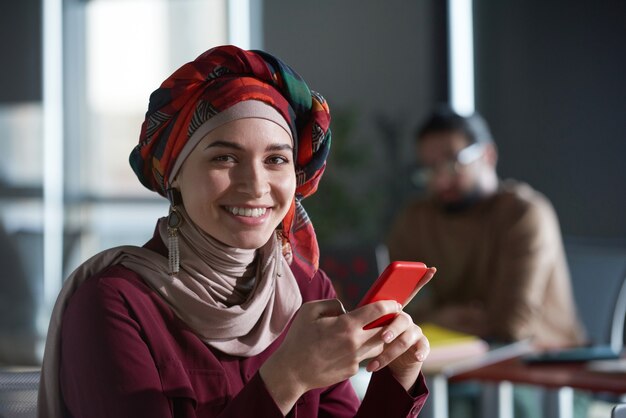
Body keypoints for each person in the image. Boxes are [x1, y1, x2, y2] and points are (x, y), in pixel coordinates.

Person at [37, 45, 435, 418]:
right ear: (175, 176)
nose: (256, 185)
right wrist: (287, 379)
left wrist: (397, 376)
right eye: (225, 157)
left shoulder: (306, 289)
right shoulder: (113, 304)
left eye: (276, 159)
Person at [386, 105, 584, 348]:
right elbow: (388, 312)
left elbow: (511, 326)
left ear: (488, 155)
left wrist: (430, 318)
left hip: (539, 364)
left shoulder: (524, 213)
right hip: (451, 358)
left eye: (452, 163)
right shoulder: (416, 218)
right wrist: (439, 318)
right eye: (429, 169)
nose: (440, 179)